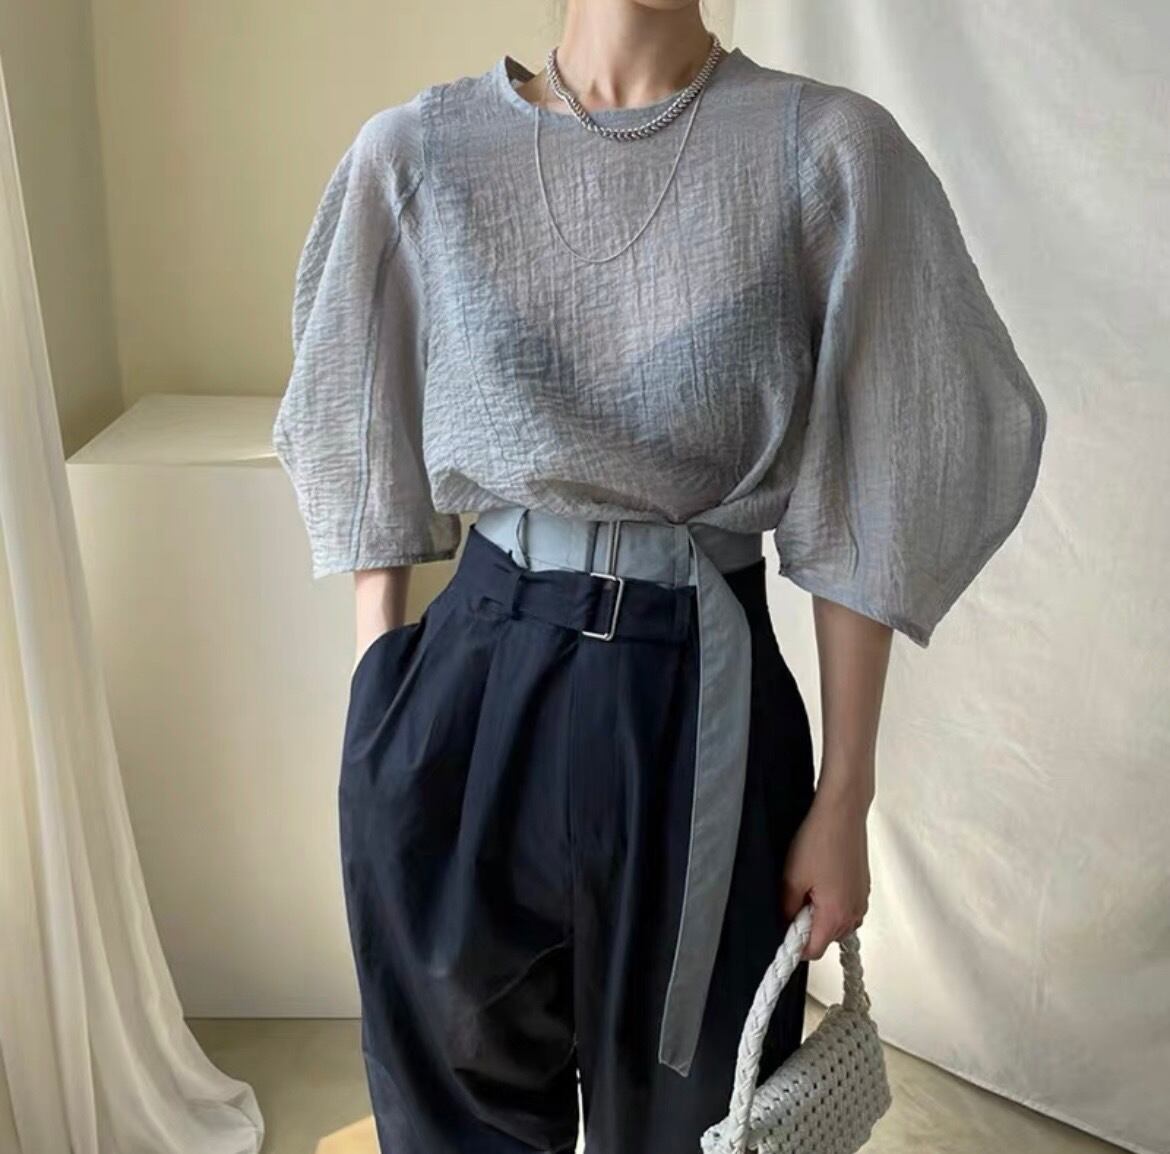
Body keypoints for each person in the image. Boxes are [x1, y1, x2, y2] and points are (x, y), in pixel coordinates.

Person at [271, 3, 1047, 1150]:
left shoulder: (825, 152)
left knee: (701, 1117)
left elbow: (882, 467)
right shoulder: (419, 153)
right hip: (471, 691)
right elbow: (355, 418)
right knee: (454, 1116)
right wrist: (380, 714)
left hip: (703, 703)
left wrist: (846, 791)